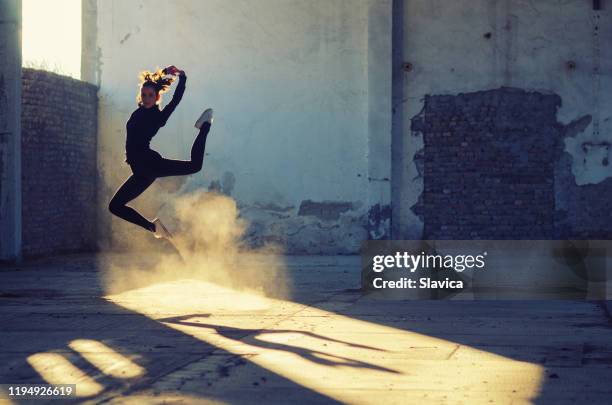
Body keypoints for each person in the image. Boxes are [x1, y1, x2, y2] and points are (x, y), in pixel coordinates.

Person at [108, 65, 213, 239]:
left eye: (150, 95)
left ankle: (205, 126)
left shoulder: (158, 117)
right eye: (144, 95)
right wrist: (163, 73)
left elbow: (175, 100)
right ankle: (154, 228)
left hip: (150, 165)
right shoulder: (139, 112)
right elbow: (155, 81)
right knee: (115, 206)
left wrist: (183, 77)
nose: (146, 98)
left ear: (157, 97)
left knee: (195, 166)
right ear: (140, 96)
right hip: (141, 172)